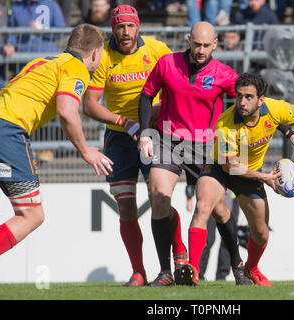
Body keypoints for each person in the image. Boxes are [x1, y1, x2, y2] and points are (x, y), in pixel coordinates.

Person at [0, 24, 111, 292]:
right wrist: (85, 150)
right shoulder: (77, 68)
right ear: (95, 53)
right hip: (5, 131)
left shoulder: (45, 60)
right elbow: (68, 112)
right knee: (32, 215)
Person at [138, 21, 253, 287]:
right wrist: (146, 133)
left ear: (215, 44)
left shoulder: (225, 74)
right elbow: (146, 96)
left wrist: (281, 126)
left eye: (206, 45)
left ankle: (237, 263)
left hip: (206, 146)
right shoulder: (167, 63)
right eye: (196, 44)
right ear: (188, 40)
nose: (200, 50)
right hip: (168, 141)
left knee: (216, 209)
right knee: (158, 199)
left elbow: (248, 100)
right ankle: (166, 271)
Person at [82, 5, 183, 287]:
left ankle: (180, 256)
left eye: (129, 26)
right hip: (119, 137)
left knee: (159, 197)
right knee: (126, 207)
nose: (125, 33)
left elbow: (179, 87)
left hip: (155, 133)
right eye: (119, 27)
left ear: (138, 26)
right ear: (112, 28)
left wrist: (159, 109)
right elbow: (89, 105)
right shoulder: (103, 56)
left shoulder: (157, 50)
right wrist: (125, 121)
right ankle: (139, 271)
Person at [179, 73, 294, 286]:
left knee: (261, 233)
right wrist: (265, 177)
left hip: (248, 171)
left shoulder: (276, 109)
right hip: (219, 168)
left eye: (249, 97)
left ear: (261, 100)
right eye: (239, 96)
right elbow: (229, 166)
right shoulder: (226, 123)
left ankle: (251, 269)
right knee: (203, 206)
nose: (242, 102)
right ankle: (192, 269)